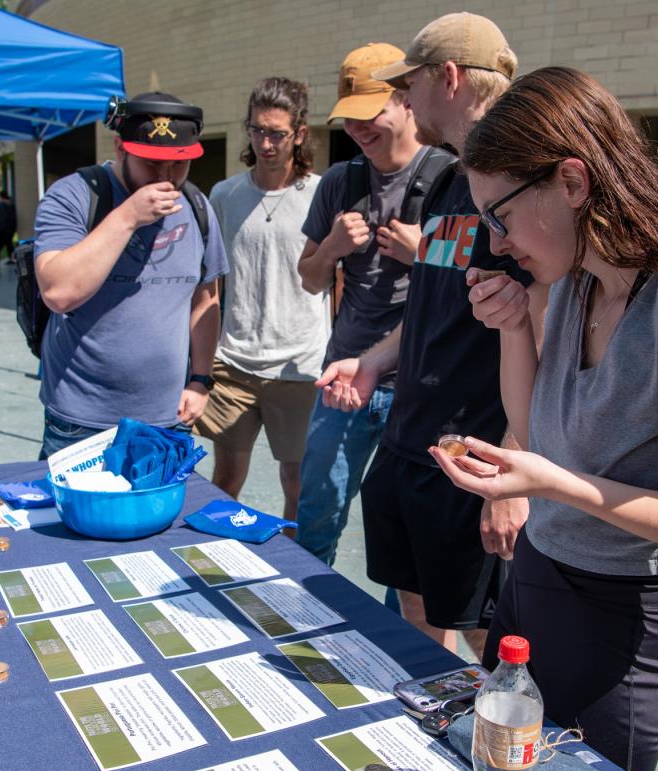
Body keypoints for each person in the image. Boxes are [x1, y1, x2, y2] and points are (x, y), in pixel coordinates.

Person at [434, 65, 658, 771]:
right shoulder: (571, 287)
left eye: (500, 214)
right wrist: (510, 329)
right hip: (534, 581)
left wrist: (560, 487)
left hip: (616, 621)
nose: (496, 242)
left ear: (571, 181)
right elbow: (535, 427)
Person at [320, 14, 540, 658]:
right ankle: (433, 728)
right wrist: (370, 361)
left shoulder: (527, 185)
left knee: (487, 633)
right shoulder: (450, 181)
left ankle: (505, 753)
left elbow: (556, 339)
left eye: (409, 83)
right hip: (411, 443)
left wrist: (513, 471)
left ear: (448, 78)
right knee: (418, 611)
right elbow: (430, 303)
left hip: (476, 458)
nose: (405, 99)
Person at [294, 43, 453, 565]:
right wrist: (333, 249)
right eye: (350, 120)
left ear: (407, 101)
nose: (359, 131)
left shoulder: (451, 178)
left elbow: (470, 286)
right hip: (343, 378)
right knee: (318, 512)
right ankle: (306, 613)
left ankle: (401, 641)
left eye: (371, 115)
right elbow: (310, 280)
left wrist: (423, 250)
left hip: (418, 386)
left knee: (405, 530)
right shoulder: (342, 181)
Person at [33, 92, 228, 458]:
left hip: (168, 417)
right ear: (120, 147)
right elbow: (58, 292)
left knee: (163, 515)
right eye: (152, 163)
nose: (167, 178)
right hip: (82, 421)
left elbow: (207, 298)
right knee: (74, 517)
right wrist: (127, 216)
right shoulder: (74, 196)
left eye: (179, 165)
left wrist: (201, 380)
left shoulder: (197, 205)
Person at [195, 78, 324, 521]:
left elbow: (336, 281)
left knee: (298, 486)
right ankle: (217, 564)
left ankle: (288, 582)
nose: (265, 143)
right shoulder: (225, 195)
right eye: (257, 130)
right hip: (234, 362)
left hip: (301, 365)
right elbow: (211, 282)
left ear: (300, 134)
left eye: (277, 133)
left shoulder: (321, 193)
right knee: (226, 479)